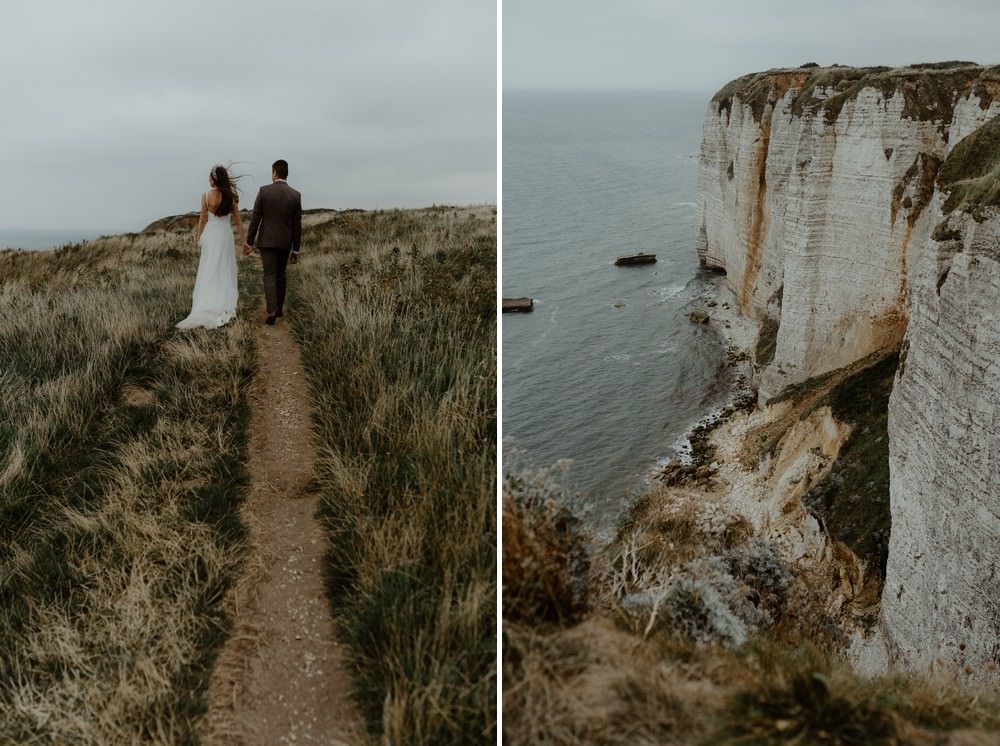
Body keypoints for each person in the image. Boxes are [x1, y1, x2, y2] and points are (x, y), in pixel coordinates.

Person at [177, 164, 246, 329]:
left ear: (215, 178)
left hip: (211, 235)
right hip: (225, 235)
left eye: (210, 176)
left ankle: (207, 303)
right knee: (224, 268)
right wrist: (244, 240)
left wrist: (199, 237)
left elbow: (203, 219)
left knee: (210, 268)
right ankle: (222, 303)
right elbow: (237, 221)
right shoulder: (231, 196)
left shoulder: (206, 195)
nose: (208, 179)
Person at [243, 159, 302, 325]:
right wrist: (296, 249)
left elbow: (255, 219)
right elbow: (297, 225)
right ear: (286, 174)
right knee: (281, 274)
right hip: (285, 242)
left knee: (269, 274)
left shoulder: (264, 191)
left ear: (274, 172)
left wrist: (249, 242)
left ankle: (271, 311)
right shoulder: (295, 195)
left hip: (267, 241)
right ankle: (279, 308)